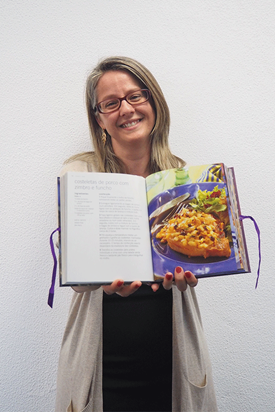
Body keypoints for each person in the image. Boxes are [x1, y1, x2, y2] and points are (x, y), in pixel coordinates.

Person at [55, 56, 218, 412]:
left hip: (171, 353)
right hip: (102, 357)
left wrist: (191, 272)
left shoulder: (180, 174)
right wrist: (98, 279)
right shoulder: (79, 171)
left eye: (135, 96)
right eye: (110, 103)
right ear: (99, 118)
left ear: (153, 102)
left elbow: (190, 260)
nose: (125, 109)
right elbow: (75, 273)